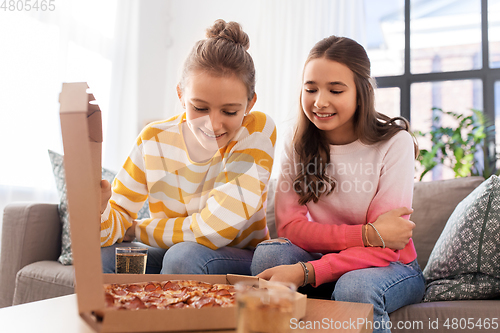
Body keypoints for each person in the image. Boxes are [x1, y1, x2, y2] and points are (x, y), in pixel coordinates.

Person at [251, 35, 425, 333]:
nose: (320, 101)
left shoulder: (395, 143)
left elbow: (387, 246)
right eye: (311, 89)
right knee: (270, 255)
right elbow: (291, 229)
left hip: (393, 266)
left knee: (354, 288)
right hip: (326, 258)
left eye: (335, 90)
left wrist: (308, 271)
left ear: (363, 92)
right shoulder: (299, 144)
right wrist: (368, 233)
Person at [100, 19, 276, 276]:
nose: (213, 125)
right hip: (173, 249)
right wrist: (100, 212)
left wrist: (136, 229)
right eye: (200, 108)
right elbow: (114, 222)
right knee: (104, 259)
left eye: (229, 111)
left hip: (237, 256)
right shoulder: (153, 139)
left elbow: (214, 231)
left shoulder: (257, 130)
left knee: (183, 257)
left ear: (249, 104)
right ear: (181, 95)